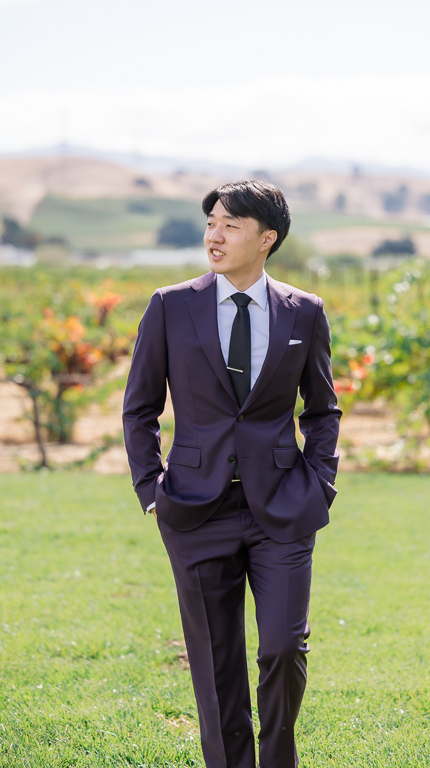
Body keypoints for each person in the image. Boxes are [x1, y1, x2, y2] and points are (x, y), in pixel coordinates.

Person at [123, 179, 341, 768]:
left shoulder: (305, 311)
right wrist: (151, 490)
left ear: (267, 238)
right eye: (212, 222)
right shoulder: (170, 305)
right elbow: (140, 406)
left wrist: (320, 484)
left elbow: (323, 410)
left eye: (232, 225)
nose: (214, 235)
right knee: (216, 660)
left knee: (281, 647)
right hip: (194, 510)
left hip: (283, 508)